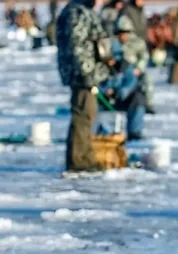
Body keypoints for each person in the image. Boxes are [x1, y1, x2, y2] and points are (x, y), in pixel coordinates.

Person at [57, 0, 113, 171]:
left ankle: (85, 156)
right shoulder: (77, 13)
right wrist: (86, 72)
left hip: (85, 74)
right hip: (81, 75)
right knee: (83, 115)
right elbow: (77, 46)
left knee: (88, 114)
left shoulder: (79, 11)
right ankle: (79, 160)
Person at [99, 18, 148, 139]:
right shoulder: (100, 68)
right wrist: (105, 91)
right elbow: (95, 83)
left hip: (119, 98)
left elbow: (131, 81)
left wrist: (119, 92)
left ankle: (134, 132)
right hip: (103, 100)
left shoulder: (125, 65)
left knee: (138, 97)